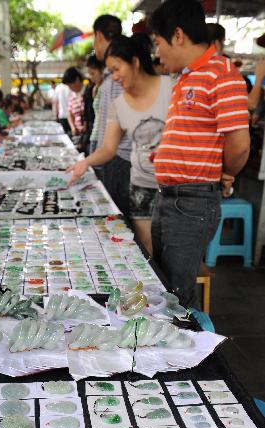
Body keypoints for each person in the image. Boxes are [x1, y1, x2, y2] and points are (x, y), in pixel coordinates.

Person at [149, 0, 250, 308]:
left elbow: (240, 144)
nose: (157, 53)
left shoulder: (222, 73)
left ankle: (191, 354)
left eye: (158, 43)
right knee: (165, 285)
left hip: (192, 201)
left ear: (178, 35)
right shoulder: (186, 77)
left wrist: (225, 172)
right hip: (169, 196)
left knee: (177, 296)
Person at [68, 36, 173, 254]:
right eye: (110, 72)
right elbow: (108, 148)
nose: (114, 78)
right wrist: (85, 162)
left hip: (174, 187)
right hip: (141, 186)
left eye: (117, 69)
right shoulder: (119, 105)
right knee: (146, 249)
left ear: (135, 62)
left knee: (171, 254)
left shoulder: (172, 89)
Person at [93, 14, 133, 215]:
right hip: (114, 159)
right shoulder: (113, 75)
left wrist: (91, 160)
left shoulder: (117, 78)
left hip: (120, 161)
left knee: (123, 224)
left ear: (99, 36)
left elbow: (120, 128)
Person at [85, 54, 104, 155]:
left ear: (102, 69)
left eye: (93, 73)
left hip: (101, 137)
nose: (91, 77)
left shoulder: (105, 87)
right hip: (95, 134)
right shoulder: (96, 88)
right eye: (90, 74)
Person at [62, 67, 85, 141]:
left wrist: (85, 126)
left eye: (70, 85)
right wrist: (73, 127)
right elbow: (70, 114)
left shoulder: (88, 93)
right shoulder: (72, 96)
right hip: (78, 134)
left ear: (77, 80)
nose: (69, 88)